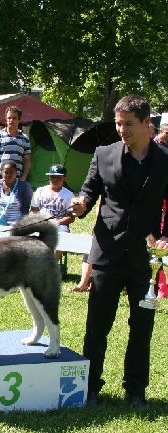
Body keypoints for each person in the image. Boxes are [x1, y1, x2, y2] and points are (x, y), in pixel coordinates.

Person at [70, 94, 168, 410]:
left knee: (142, 328)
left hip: (145, 258)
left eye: (127, 124)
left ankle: (136, 391)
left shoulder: (165, 160)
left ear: (146, 124)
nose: (121, 129)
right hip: (107, 251)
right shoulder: (103, 154)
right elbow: (89, 190)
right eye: (118, 123)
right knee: (97, 326)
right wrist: (82, 203)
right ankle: (90, 388)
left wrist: (166, 237)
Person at [30, 163, 75, 260]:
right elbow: (33, 211)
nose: (54, 179)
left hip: (59, 224)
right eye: (52, 177)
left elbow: (71, 217)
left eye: (58, 177)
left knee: (62, 238)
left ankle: (52, 264)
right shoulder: (40, 191)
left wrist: (57, 222)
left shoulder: (68, 194)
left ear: (64, 178)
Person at [0, 105, 32, 181]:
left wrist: (24, 177)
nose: (11, 120)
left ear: (19, 120)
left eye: (14, 118)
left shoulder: (24, 138)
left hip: (16, 180)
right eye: (9, 118)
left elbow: (27, 160)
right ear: (6, 119)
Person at [0, 159, 32, 226]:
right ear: (1, 173)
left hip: (16, 225)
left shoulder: (24, 186)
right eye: (6, 172)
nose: (9, 175)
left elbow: (25, 210)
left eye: (12, 172)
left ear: (16, 173)